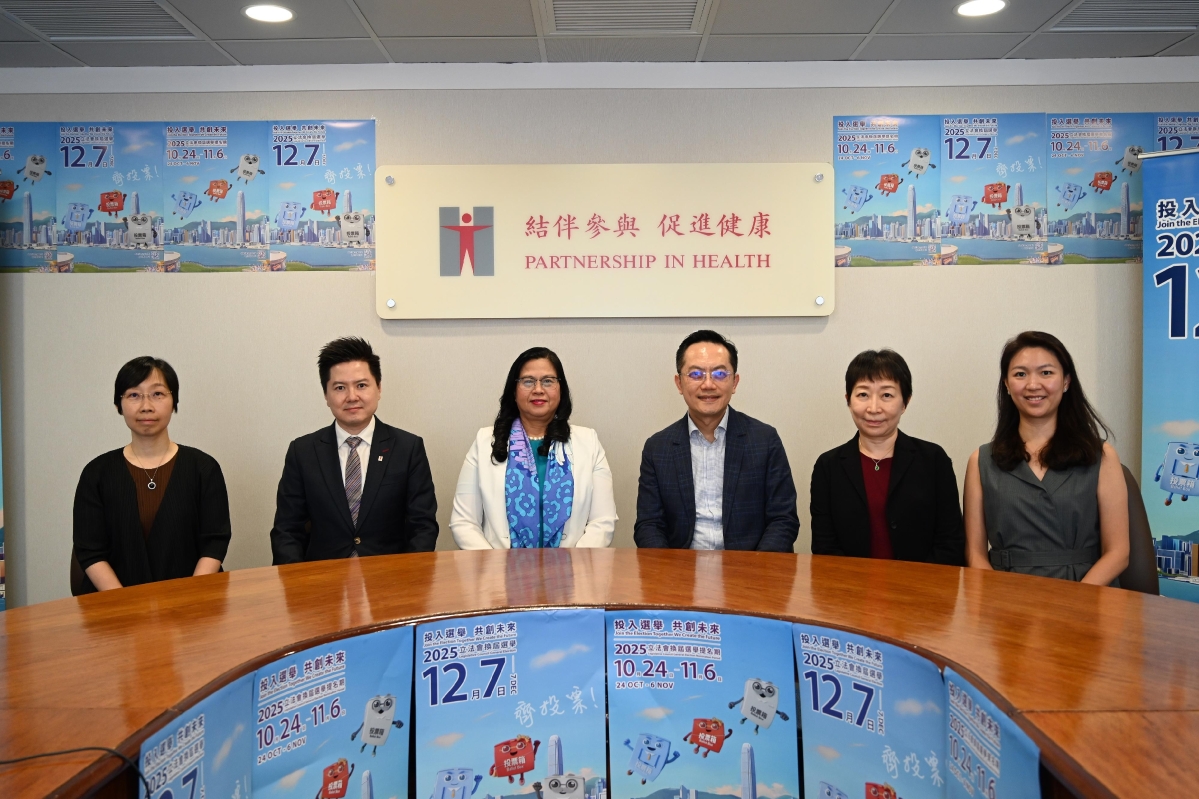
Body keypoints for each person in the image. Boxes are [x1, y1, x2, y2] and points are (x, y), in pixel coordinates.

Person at [964, 331, 1129, 584]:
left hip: (1088, 593)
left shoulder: (1102, 456)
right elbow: (974, 554)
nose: (1033, 384)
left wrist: (1074, 600)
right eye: (1020, 374)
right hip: (1006, 595)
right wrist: (999, 598)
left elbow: (1118, 553)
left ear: (1066, 381)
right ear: (1006, 384)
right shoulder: (982, 460)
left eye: (1046, 372)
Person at [271, 337, 438, 563]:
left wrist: (409, 578)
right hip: (322, 577)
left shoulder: (408, 448)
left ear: (378, 388)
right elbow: (287, 530)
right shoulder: (303, 452)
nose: (352, 397)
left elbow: (423, 527)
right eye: (340, 388)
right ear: (326, 395)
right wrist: (298, 580)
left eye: (361, 385)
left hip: (389, 576)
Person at [72, 356, 231, 592]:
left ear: (174, 401)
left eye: (157, 394)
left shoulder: (203, 468)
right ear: (118, 405)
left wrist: (189, 598)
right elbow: (90, 550)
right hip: (115, 605)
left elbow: (214, 542)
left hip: (191, 602)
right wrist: (125, 604)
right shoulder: (96, 474)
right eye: (134, 395)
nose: (146, 406)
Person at [635, 330, 799, 551]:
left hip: (749, 565)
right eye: (696, 374)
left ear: (735, 382)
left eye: (720, 374)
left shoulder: (765, 440)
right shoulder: (658, 448)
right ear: (679, 383)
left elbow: (783, 519)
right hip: (681, 567)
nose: (708, 384)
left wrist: (757, 568)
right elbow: (649, 525)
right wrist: (669, 569)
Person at [451, 347, 616, 548]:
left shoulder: (588, 442)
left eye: (548, 381)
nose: (538, 389)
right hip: (499, 565)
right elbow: (464, 523)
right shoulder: (484, 441)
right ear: (514, 391)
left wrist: (575, 564)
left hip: (574, 566)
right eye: (528, 381)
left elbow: (602, 521)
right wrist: (494, 565)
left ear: (561, 389)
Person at [810, 349, 964, 564]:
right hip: (848, 584)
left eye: (887, 395)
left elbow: (950, 543)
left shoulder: (934, 460)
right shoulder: (828, 466)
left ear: (905, 402)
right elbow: (824, 547)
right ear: (848, 400)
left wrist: (915, 583)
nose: (874, 408)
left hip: (923, 584)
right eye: (863, 395)